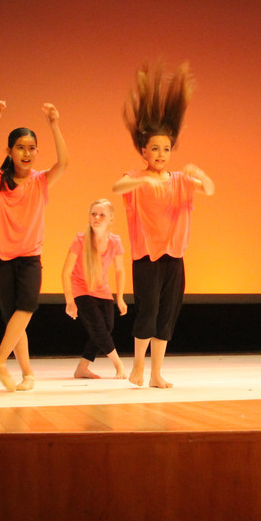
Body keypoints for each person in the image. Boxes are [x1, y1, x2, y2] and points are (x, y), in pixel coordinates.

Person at [113, 63, 214, 389]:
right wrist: (144, 183)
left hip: (174, 257)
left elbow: (210, 190)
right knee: (148, 311)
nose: (160, 154)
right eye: (155, 148)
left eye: (166, 149)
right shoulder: (135, 177)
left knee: (167, 315)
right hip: (147, 257)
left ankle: (156, 372)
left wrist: (201, 174)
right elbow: (117, 187)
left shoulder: (180, 180)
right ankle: (138, 367)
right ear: (144, 150)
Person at [0, 100, 68, 391]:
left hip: (29, 256)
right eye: (20, 148)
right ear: (10, 151)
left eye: (32, 148)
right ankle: (27, 374)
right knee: (14, 318)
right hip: (1, 257)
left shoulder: (40, 181)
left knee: (26, 307)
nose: (27, 153)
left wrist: (54, 125)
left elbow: (63, 164)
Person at [62, 199, 128, 379]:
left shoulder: (115, 242)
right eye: (94, 214)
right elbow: (66, 272)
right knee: (99, 328)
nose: (97, 218)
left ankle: (82, 367)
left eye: (102, 215)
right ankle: (119, 365)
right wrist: (70, 301)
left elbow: (120, 270)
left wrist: (120, 298)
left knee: (106, 329)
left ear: (111, 219)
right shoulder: (80, 240)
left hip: (102, 289)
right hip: (81, 288)